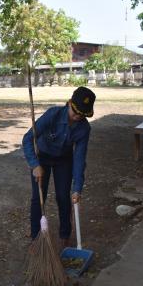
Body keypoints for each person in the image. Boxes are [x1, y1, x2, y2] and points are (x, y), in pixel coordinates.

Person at [22, 86, 96, 248]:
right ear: (69, 103)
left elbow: (79, 158)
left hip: (64, 160)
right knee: (38, 198)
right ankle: (36, 238)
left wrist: (77, 188)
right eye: (75, 112)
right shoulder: (53, 114)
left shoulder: (84, 128)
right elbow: (27, 139)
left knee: (63, 197)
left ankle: (65, 235)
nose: (77, 117)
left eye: (82, 115)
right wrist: (34, 165)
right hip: (42, 158)